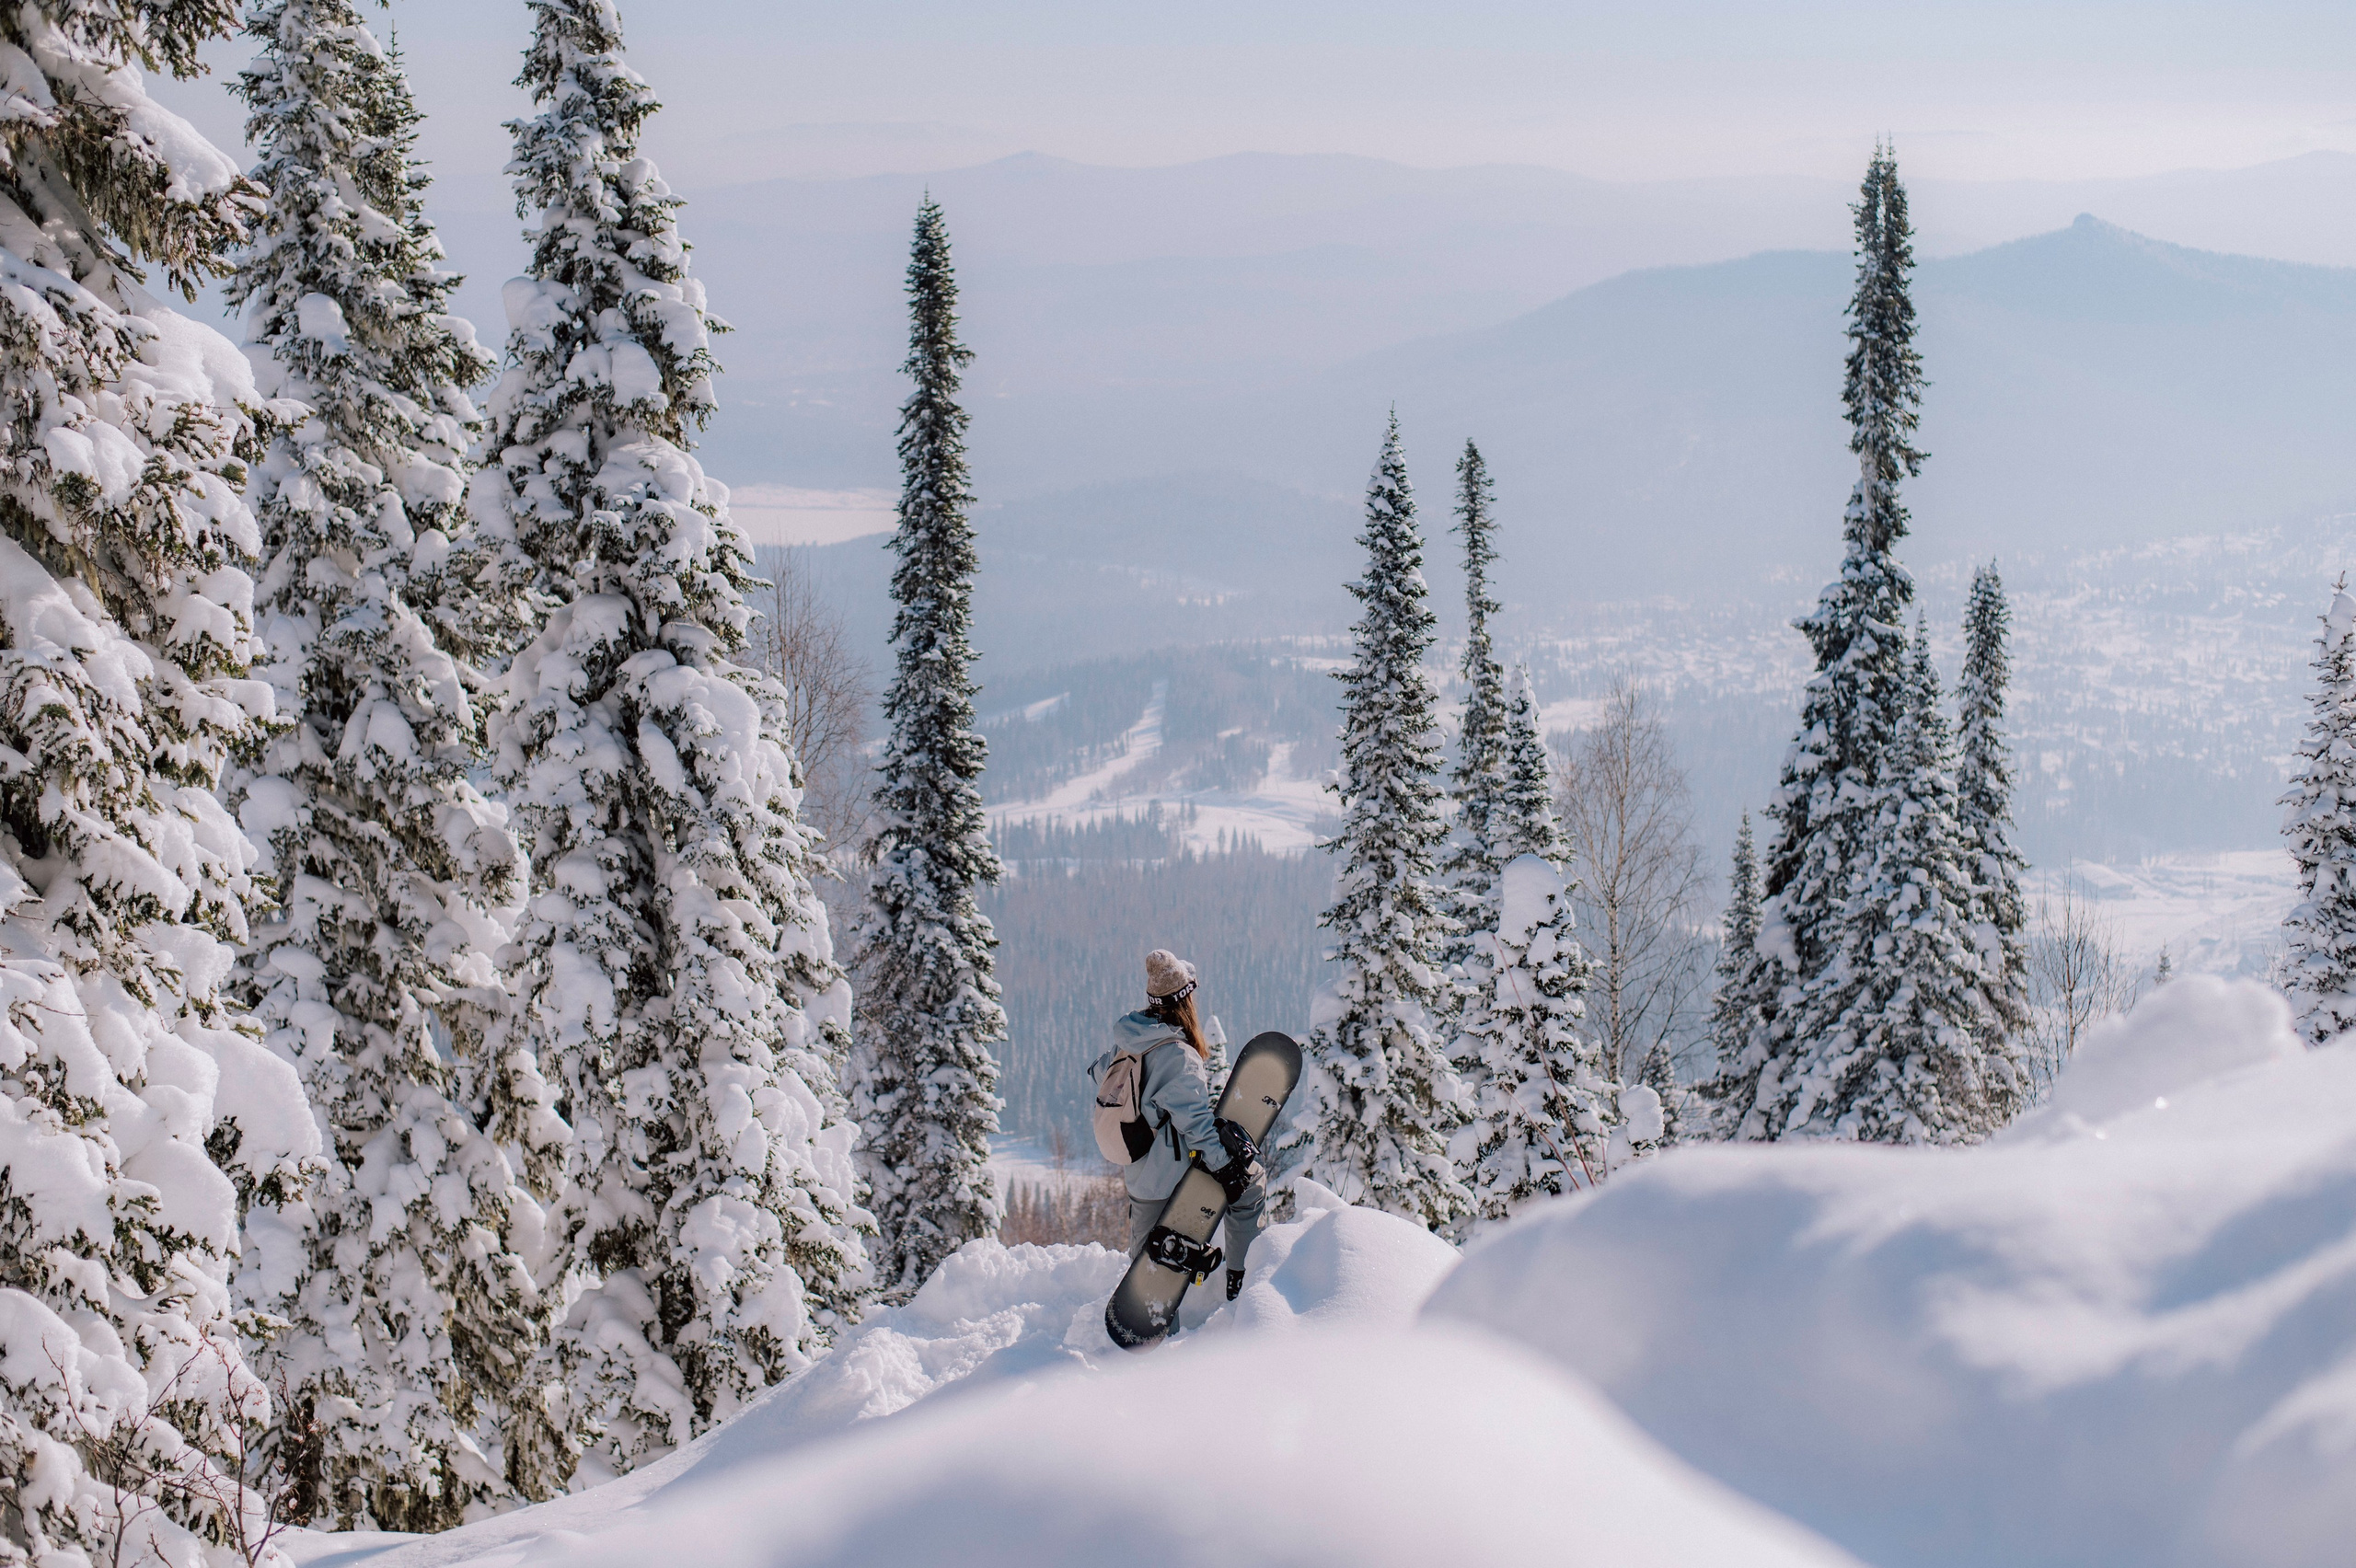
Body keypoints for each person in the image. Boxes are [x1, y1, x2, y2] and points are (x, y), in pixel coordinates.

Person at [1089, 949, 1265, 1301]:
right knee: (1251, 1185)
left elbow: (1098, 1072)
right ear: (1186, 1002)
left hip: (1139, 1177)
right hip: (1173, 1183)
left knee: (1149, 1275)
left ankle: (1149, 1316)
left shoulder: (1130, 1040)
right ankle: (1243, 1282)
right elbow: (1196, 1126)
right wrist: (1228, 1169)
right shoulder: (1178, 1056)